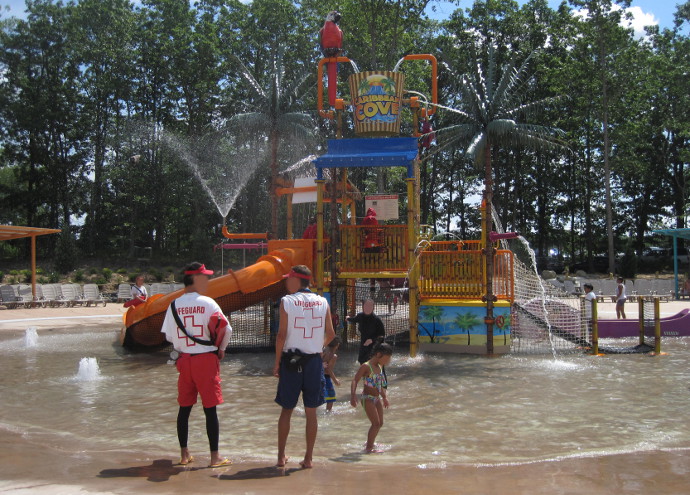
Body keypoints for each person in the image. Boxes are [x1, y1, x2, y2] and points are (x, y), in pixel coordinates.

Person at [160, 262, 232, 468]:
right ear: (195, 280)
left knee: (184, 408)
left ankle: (184, 455)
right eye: (204, 277)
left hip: (184, 361)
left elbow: (169, 336)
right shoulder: (208, 303)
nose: (207, 281)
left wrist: (184, 346)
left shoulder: (173, 305)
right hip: (206, 361)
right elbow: (226, 329)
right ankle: (215, 457)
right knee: (210, 410)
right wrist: (222, 349)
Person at [273, 265, 336, 469]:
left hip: (291, 362)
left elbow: (281, 335)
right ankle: (308, 459)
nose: (286, 283)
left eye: (288, 279)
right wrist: (320, 348)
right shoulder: (322, 301)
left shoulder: (287, 301)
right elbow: (332, 334)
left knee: (286, 410)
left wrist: (276, 363)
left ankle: (281, 457)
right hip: (313, 362)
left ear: (296, 281)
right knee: (311, 412)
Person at [350, 342, 393, 453]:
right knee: (375, 423)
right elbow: (355, 379)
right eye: (387, 358)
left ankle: (370, 442)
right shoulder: (366, 366)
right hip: (367, 398)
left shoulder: (379, 367)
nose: (388, 361)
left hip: (376, 398)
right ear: (378, 354)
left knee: (380, 423)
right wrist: (353, 395)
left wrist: (384, 397)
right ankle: (369, 448)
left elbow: (379, 385)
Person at [347, 299, 385, 365]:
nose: (368, 308)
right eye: (366, 306)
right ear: (362, 307)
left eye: (370, 306)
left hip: (374, 346)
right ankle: (364, 375)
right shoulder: (360, 316)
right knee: (363, 364)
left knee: (374, 368)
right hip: (363, 345)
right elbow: (354, 319)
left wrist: (372, 340)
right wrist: (348, 318)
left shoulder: (377, 320)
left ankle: (376, 375)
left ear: (373, 307)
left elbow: (382, 335)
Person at [322, 336, 341, 412]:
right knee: (331, 396)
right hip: (326, 377)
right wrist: (335, 380)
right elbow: (329, 369)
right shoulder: (333, 356)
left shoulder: (323, 351)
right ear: (337, 345)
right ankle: (328, 412)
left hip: (317, 375)